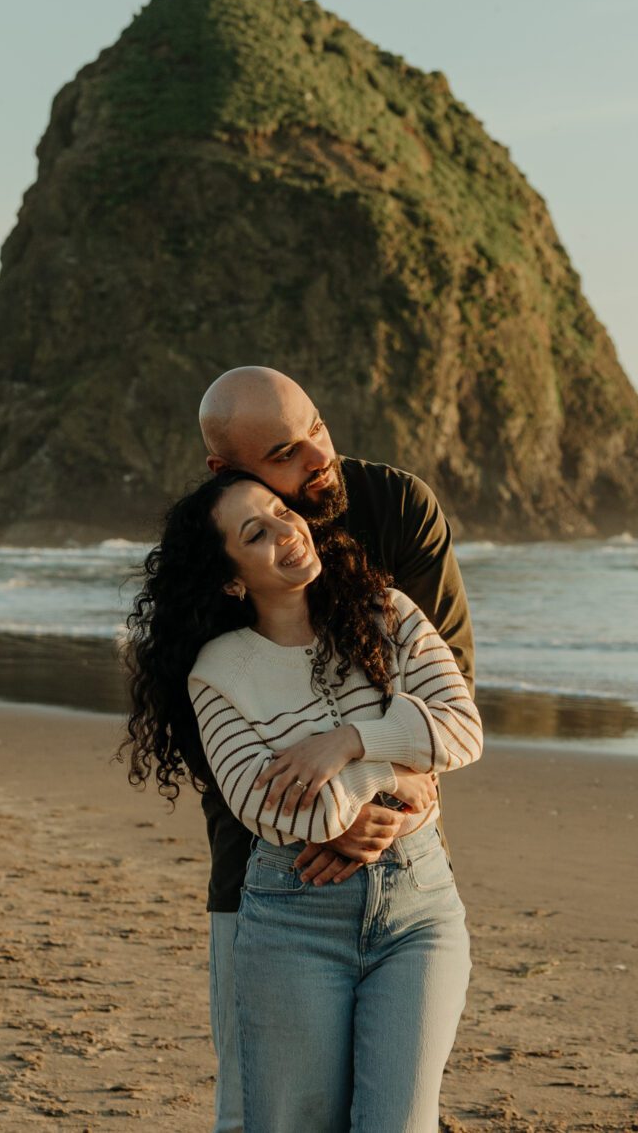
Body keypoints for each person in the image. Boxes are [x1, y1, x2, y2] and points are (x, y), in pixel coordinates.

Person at [124, 468, 483, 1132]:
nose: (287, 531)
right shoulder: (220, 672)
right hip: (295, 920)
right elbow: (276, 811)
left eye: (282, 512)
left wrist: (345, 743)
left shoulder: (389, 611)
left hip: (419, 906)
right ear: (231, 575)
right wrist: (398, 778)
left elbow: (463, 730)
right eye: (255, 532)